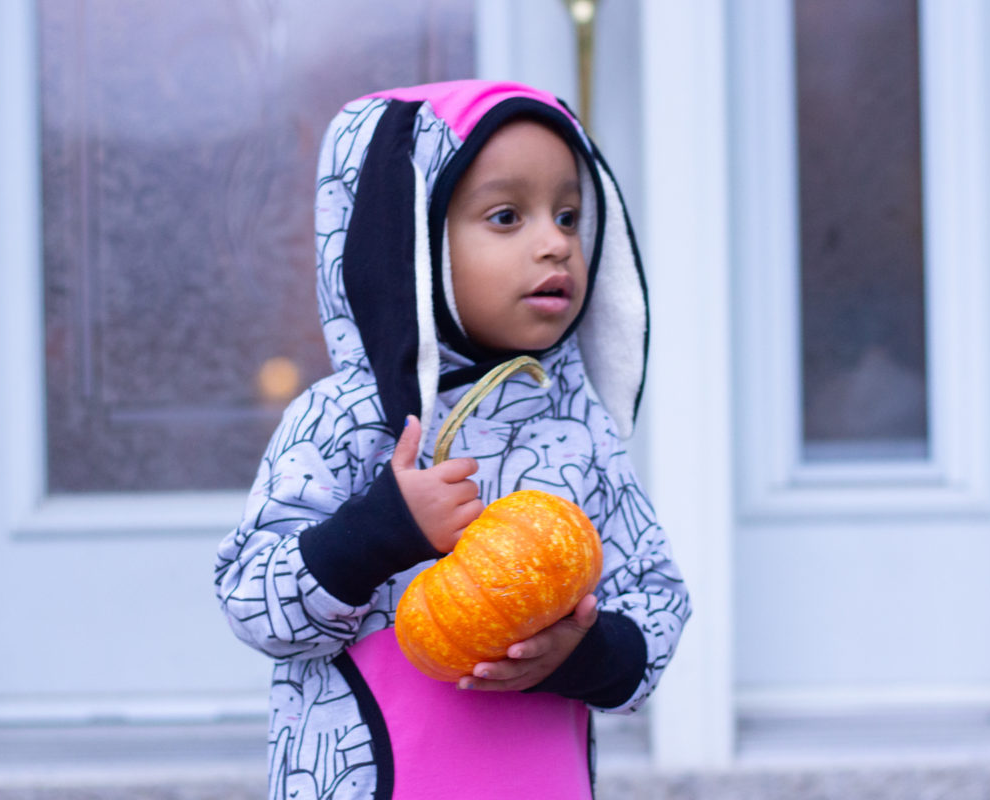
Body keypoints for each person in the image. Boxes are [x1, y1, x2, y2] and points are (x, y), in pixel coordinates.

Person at [214, 80, 689, 800]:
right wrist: (383, 530)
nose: (554, 242)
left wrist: (583, 653)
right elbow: (252, 600)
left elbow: (656, 598)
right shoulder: (345, 419)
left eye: (568, 215)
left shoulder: (574, 429)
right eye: (507, 216)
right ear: (406, 238)